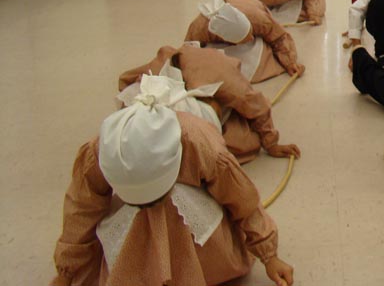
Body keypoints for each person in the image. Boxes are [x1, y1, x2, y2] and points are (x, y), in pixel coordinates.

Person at [52, 75, 294, 286]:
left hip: (187, 209)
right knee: (140, 219)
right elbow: (81, 209)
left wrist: (269, 255)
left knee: (172, 206)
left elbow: (243, 200)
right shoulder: (98, 151)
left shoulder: (200, 143)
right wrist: (66, 271)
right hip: (133, 215)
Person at [117, 43, 301, 164]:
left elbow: (256, 105)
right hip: (189, 81)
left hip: (211, 82)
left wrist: (271, 143)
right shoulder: (143, 95)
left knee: (246, 142)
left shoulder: (227, 82)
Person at [185, 0, 305, 79]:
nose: (251, 39)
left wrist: (290, 62)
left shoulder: (259, 19)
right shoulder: (198, 28)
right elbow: (187, 52)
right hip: (229, 3)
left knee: (256, 52)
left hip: (246, 2)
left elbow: (279, 37)